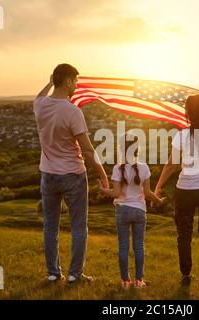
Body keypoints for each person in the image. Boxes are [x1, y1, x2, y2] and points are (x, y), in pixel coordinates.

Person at [33, 63, 109, 285]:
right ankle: (75, 275)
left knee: (50, 226)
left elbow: (39, 95)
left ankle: (52, 273)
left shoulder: (39, 105)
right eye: (75, 81)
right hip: (73, 176)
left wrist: (49, 82)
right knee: (78, 227)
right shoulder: (73, 111)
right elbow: (87, 149)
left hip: (48, 175)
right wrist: (103, 175)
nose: (77, 85)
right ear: (68, 82)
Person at [153, 93, 199, 287]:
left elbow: (171, 165)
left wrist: (157, 187)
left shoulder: (182, 135)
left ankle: (186, 275)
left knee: (184, 233)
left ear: (189, 112)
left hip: (186, 190)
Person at [99, 134, 166, 289]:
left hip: (122, 210)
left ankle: (125, 282)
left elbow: (115, 194)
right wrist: (159, 201)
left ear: (121, 148)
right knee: (138, 246)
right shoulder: (144, 167)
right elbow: (148, 193)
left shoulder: (117, 168)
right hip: (139, 211)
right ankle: (139, 281)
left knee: (123, 246)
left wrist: (103, 190)